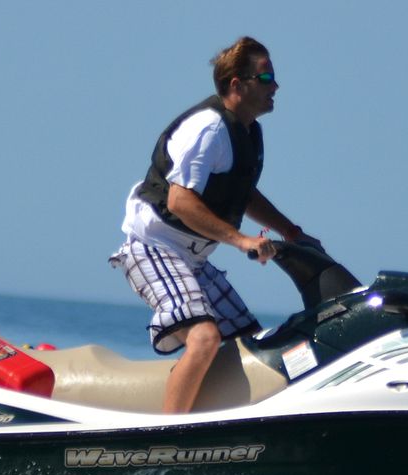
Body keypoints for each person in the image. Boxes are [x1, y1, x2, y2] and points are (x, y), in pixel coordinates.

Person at [111, 36, 320, 413]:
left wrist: (291, 231)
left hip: (191, 257)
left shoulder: (248, 131)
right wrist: (241, 241)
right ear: (237, 85)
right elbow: (180, 201)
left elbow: (244, 193)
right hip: (154, 247)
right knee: (206, 338)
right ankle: (166, 441)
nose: (276, 85)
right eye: (267, 76)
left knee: (251, 346)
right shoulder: (208, 129)